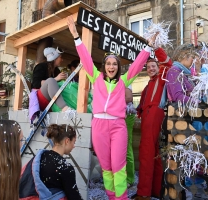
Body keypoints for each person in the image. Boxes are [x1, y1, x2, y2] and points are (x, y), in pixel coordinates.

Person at [67, 15, 158, 200]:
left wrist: (148, 46)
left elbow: (138, 64)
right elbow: (85, 58)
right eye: (108, 63)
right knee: (106, 167)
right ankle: (111, 196)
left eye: (114, 64)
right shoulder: (96, 77)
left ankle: (121, 197)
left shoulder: (124, 81)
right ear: (104, 66)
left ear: (118, 67)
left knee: (118, 166)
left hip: (118, 126)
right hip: (99, 126)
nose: (111, 66)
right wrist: (76, 36)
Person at [135, 47, 172, 199]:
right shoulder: (147, 85)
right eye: (148, 67)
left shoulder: (163, 76)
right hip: (148, 116)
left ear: (158, 68)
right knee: (154, 154)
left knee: (146, 152)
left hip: (154, 114)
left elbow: (168, 64)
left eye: (153, 66)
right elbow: (141, 105)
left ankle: (143, 194)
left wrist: (156, 48)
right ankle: (155, 190)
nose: (150, 68)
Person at [19, 124, 82, 200]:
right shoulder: (66, 167)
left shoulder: (38, 158)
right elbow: (74, 196)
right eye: (74, 142)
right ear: (67, 141)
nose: (73, 146)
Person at [30, 47, 74, 113]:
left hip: (51, 99)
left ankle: (73, 107)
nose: (62, 60)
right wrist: (56, 79)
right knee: (51, 81)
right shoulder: (41, 66)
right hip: (39, 98)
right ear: (55, 58)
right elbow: (36, 83)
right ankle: (65, 109)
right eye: (60, 58)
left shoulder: (56, 70)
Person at [125, 86, 137, 186]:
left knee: (126, 147)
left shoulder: (124, 79)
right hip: (116, 117)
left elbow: (128, 98)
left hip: (127, 115)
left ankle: (129, 179)